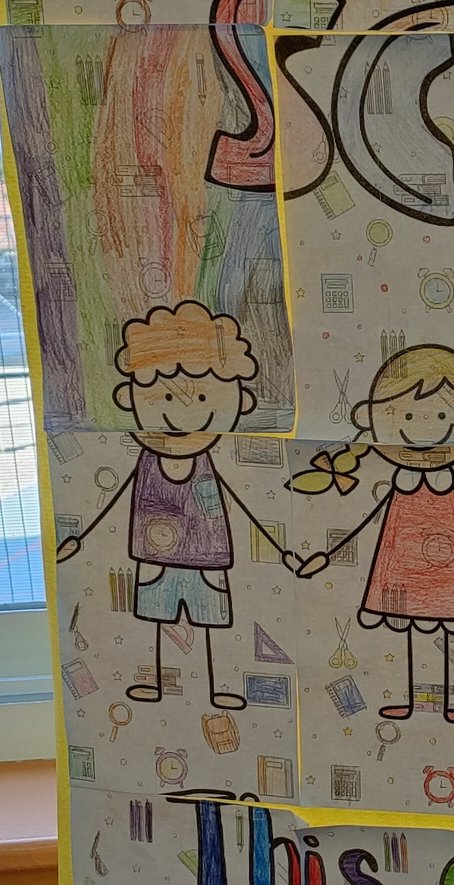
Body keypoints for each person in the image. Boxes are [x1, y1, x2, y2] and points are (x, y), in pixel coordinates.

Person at [293, 344, 454, 725]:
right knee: (410, 630)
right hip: (402, 568)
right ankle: (411, 701)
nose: (424, 427)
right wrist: (324, 557)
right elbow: (365, 521)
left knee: (444, 629)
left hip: (449, 569)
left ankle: (445, 704)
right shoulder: (401, 484)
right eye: (406, 415)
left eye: (443, 414)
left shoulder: (448, 484)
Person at [55, 301, 287, 710]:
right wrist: (78, 539)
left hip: (207, 560)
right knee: (157, 621)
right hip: (155, 559)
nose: (182, 413)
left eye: (203, 396)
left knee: (212, 621)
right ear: (128, 397)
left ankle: (218, 686)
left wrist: (280, 549)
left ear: (240, 402)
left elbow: (237, 502)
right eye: (162, 395)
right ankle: (157, 683)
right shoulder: (146, 463)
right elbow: (114, 499)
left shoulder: (207, 464)